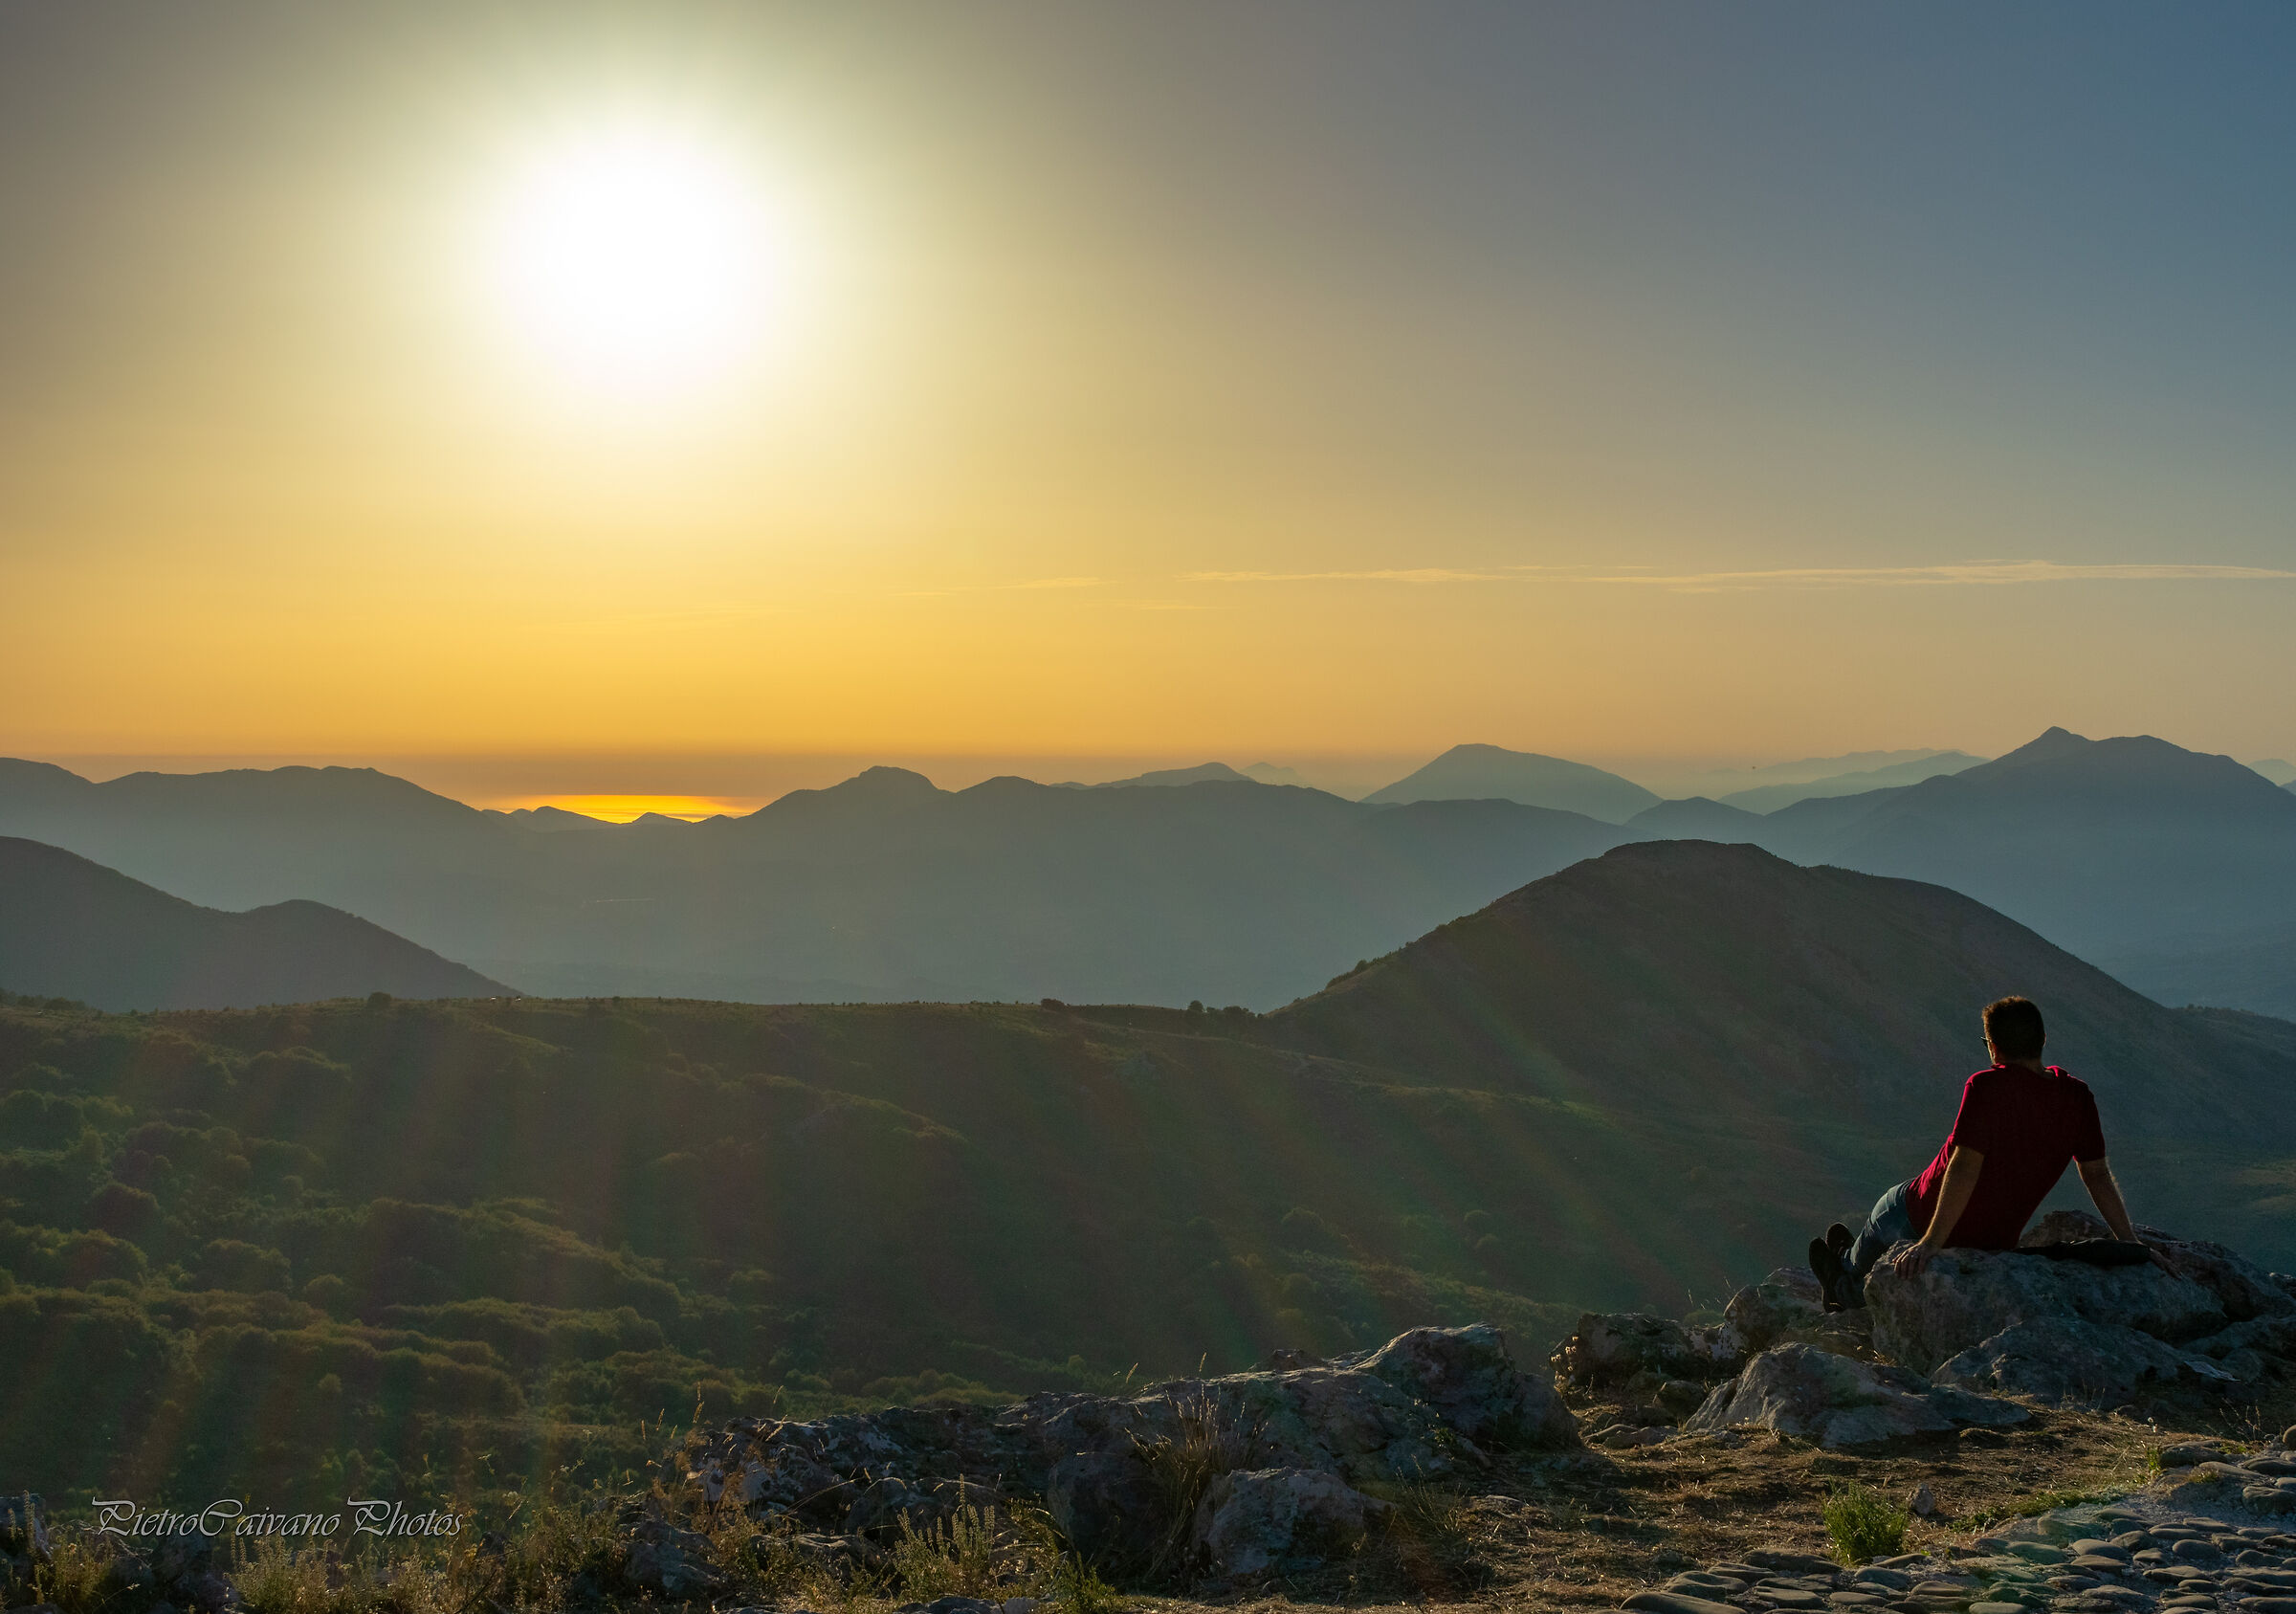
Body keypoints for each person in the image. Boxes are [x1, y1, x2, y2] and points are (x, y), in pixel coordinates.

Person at [1806, 996, 2160, 1311]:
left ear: (1993, 1047)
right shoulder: (2077, 1097)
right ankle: (1848, 1256)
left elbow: (1963, 1169)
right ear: (2043, 1041)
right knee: (1880, 1225)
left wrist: (1931, 1242)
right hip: (1994, 1243)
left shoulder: (1986, 1086)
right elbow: (2097, 1176)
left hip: (1917, 1216)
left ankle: (1839, 1277)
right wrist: (2131, 1245)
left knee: (1877, 1239)